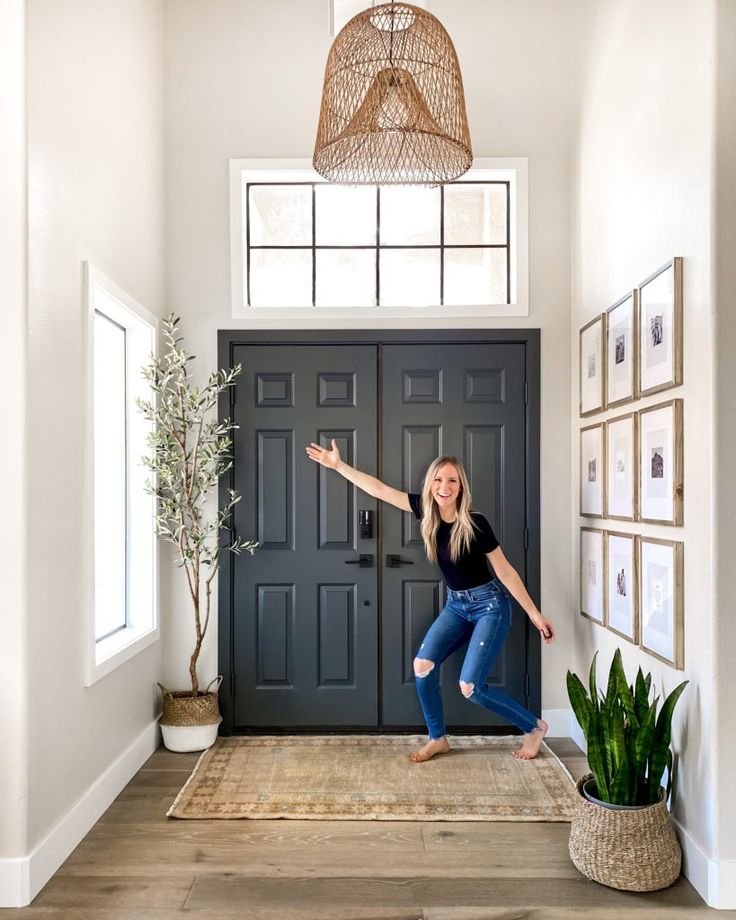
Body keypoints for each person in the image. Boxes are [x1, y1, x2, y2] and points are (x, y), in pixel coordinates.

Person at [305, 440, 556, 764]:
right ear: (431, 485)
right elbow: (379, 490)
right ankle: (438, 738)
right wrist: (338, 466)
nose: (444, 486)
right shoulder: (425, 511)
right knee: (422, 667)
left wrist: (535, 615)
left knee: (470, 686)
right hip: (456, 605)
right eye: (438, 480)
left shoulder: (476, 524)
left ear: (461, 486)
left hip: (489, 606)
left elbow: (505, 572)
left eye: (452, 480)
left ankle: (534, 727)